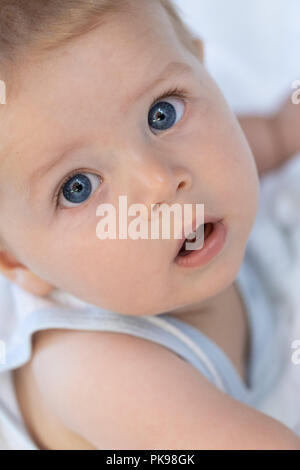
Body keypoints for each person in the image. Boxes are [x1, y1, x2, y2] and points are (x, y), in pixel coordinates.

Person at [0, 0, 299, 449]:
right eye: (78, 187)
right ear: (18, 263)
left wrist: (283, 125)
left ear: (204, 71)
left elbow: (274, 134)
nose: (160, 180)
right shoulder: (100, 375)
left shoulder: (207, 163)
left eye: (162, 114)